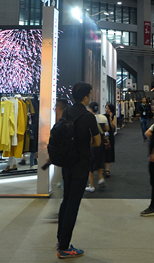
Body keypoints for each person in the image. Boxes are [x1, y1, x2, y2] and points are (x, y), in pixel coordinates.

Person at [57, 82, 101, 259]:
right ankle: (64, 247)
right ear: (85, 97)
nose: (90, 97)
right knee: (73, 204)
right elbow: (97, 142)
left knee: (66, 200)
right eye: (89, 94)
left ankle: (60, 240)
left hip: (66, 162)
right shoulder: (88, 116)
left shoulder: (67, 111)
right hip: (81, 164)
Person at [86, 101, 108, 192]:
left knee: (90, 164)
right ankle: (101, 178)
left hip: (91, 143)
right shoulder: (103, 117)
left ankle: (91, 186)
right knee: (100, 159)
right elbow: (107, 129)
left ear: (90, 108)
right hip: (101, 142)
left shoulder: (88, 118)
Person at [104, 103, 116, 178]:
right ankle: (102, 168)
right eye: (106, 108)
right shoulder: (103, 116)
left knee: (109, 152)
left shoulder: (113, 116)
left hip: (110, 136)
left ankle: (107, 169)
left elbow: (113, 126)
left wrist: (110, 118)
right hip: (103, 136)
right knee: (103, 152)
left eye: (108, 108)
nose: (107, 110)